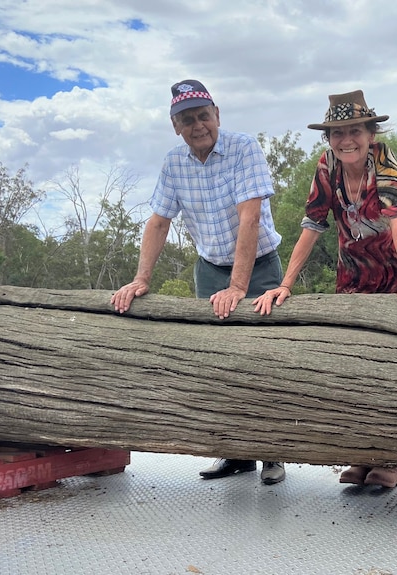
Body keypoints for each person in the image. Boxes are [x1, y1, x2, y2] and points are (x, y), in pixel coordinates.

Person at [252, 89, 397, 488]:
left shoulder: (384, 162)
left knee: (395, 368)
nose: (345, 140)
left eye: (354, 130)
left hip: (396, 270)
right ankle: (361, 455)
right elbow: (312, 226)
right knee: (356, 363)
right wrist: (285, 285)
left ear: (371, 133)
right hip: (354, 274)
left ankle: (390, 462)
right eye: (336, 133)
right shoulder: (327, 168)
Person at [110, 79, 286, 485]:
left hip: (258, 267)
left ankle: (274, 454)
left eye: (203, 115)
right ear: (175, 126)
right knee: (216, 362)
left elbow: (250, 217)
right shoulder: (174, 163)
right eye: (186, 119)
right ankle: (233, 454)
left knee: (263, 361)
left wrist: (239, 287)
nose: (197, 125)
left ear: (217, 115)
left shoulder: (244, 148)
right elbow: (158, 221)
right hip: (209, 268)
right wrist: (140, 280)